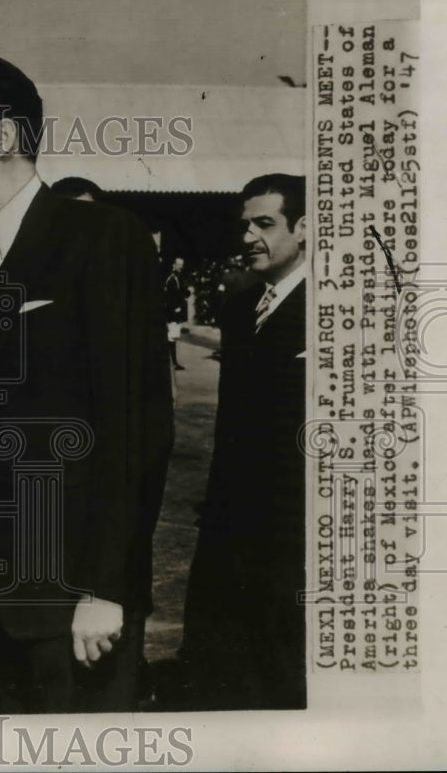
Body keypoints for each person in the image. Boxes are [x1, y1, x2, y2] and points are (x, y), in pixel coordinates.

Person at [0, 57, 174, 713]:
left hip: (71, 608)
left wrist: (104, 588)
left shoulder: (102, 239)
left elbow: (131, 426)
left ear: (3, 133)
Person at [179, 173, 307, 710]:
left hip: (290, 532)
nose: (250, 236)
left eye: (265, 223)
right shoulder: (241, 309)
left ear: (305, 228)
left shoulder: (334, 312)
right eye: (245, 225)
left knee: (279, 668)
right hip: (232, 522)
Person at [164, 256, 189, 370]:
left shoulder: (178, 277)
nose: (181, 267)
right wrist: (175, 309)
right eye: (179, 264)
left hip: (176, 312)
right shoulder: (172, 278)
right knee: (171, 337)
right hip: (173, 313)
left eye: (182, 265)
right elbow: (169, 297)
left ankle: (172, 362)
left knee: (173, 337)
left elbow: (182, 291)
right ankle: (172, 363)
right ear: (173, 265)